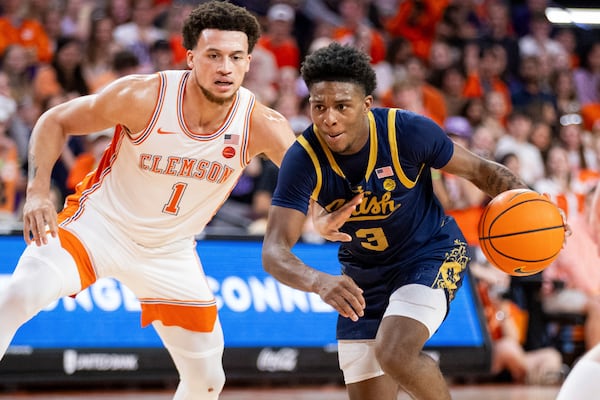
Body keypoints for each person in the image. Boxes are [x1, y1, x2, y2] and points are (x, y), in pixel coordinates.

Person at [0, 2, 297, 399]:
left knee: (209, 379)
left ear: (248, 63)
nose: (225, 67)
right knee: (17, 296)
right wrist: (37, 191)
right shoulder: (145, 96)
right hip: (98, 228)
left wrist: (326, 216)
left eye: (235, 57)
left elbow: (311, 186)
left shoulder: (264, 125)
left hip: (169, 252)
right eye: (213, 56)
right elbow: (55, 120)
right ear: (190, 58)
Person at [261, 42, 529, 400]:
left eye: (342, 106)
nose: (329, 118)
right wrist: (317, 281)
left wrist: (532, 203)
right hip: (362, 274)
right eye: (318, 107)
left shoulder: (407, 131)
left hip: (431, 253)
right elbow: (274, 251)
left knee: (395, 352)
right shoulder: (303, 158)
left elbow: (480, 171)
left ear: (367, 105)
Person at [556, 181, 600, 399]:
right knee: (597, 307)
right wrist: (594, 291)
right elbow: (574, 269)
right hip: (559, 291)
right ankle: (595, 366)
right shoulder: (573, 225)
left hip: (589, 291)